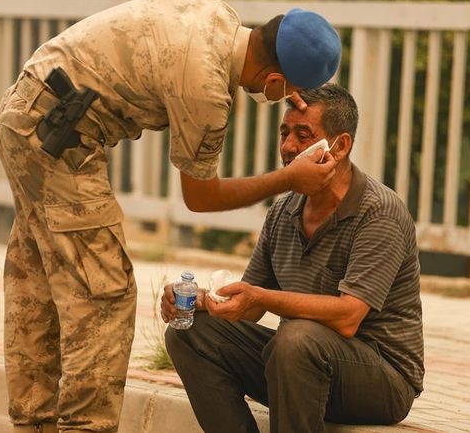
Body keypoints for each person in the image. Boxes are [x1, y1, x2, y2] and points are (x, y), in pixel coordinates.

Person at [0, 0, 342, 433]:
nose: (282, 101)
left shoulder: (215, 14)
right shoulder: (207, 90)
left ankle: (32, 423)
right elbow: (201, 197)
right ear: (274, 81)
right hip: (59, 138)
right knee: (105, 293)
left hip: (23, 114)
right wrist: (290, 180)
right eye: (286, 95)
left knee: (40, 284)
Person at [162, 84, 424, 433]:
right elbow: (251, 305)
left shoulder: (379, 211)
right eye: (284, 133)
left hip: (381, 377)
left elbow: (348, 317)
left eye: (303, 135)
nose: (288, 147)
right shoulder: (283, 211)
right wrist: (200, 302)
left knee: (296, 340)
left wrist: (262, 298)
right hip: (299, 364)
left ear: (340, 145)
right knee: (189, 332)